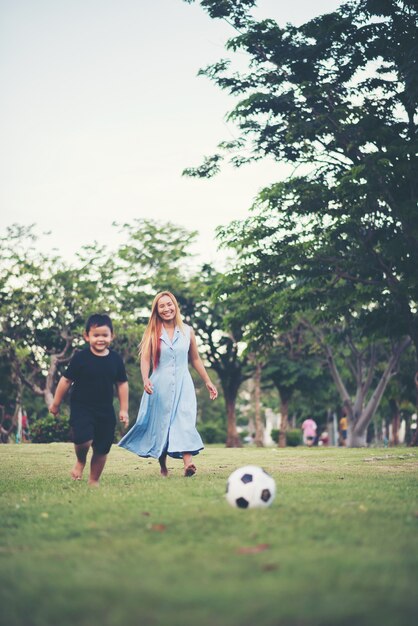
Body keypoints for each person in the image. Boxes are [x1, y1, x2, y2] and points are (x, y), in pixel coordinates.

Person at [118, 291, 218, 477]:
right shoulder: (153, 332)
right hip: (159, 385)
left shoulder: (188, 331)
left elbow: (195, 359)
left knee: (184, 420)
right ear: (157, 310)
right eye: (161, 306)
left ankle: (188, 463)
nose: (166, 309)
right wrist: (145, 379)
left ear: (175, 305)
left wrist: (208, 381)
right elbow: (145, 360)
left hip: (184, 384)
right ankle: (163, 466)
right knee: (162, 425)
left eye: (169, 304)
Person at [49, 313, 129, 486]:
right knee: (83, 439)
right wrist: (55, 403)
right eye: (96, 335)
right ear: (87, 336)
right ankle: (80, 461)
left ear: (112, 336)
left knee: (102, 448)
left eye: (105, 335)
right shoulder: (81, 358)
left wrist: (123, 409)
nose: (101, 339)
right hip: (81, 406)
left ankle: (94, 480)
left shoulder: (115, 360)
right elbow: (66, 380)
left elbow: (122, 384)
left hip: (105, 409)